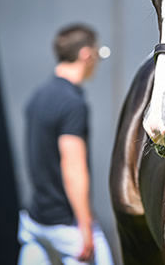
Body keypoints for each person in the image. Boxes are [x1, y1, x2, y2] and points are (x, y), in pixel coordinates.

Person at [18, 24, 113, 265]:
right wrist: (85, 228)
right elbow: (73, 169)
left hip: (36, 221)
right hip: (66, 228)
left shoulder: (38, 96)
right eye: (98, 54)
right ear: (86, 55)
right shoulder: (72, 104)